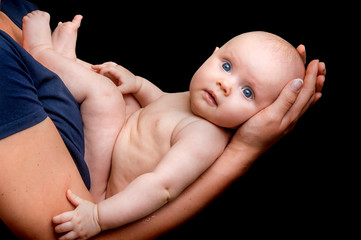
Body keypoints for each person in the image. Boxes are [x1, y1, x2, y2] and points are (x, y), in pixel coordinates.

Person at [0, 0, 326, 239]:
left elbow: (161, 187)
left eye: (248, 93)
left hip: (103, 194)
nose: (226, 84)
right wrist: (139, 84)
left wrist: (98, 216)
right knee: (119, 95)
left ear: (262, 115)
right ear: (212, 54)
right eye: (227, 66)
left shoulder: (206, 136)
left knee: (106, 97)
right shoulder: (193, 104)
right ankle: (60, 61)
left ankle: (43, 53)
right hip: (110, 152)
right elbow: (161, 106)